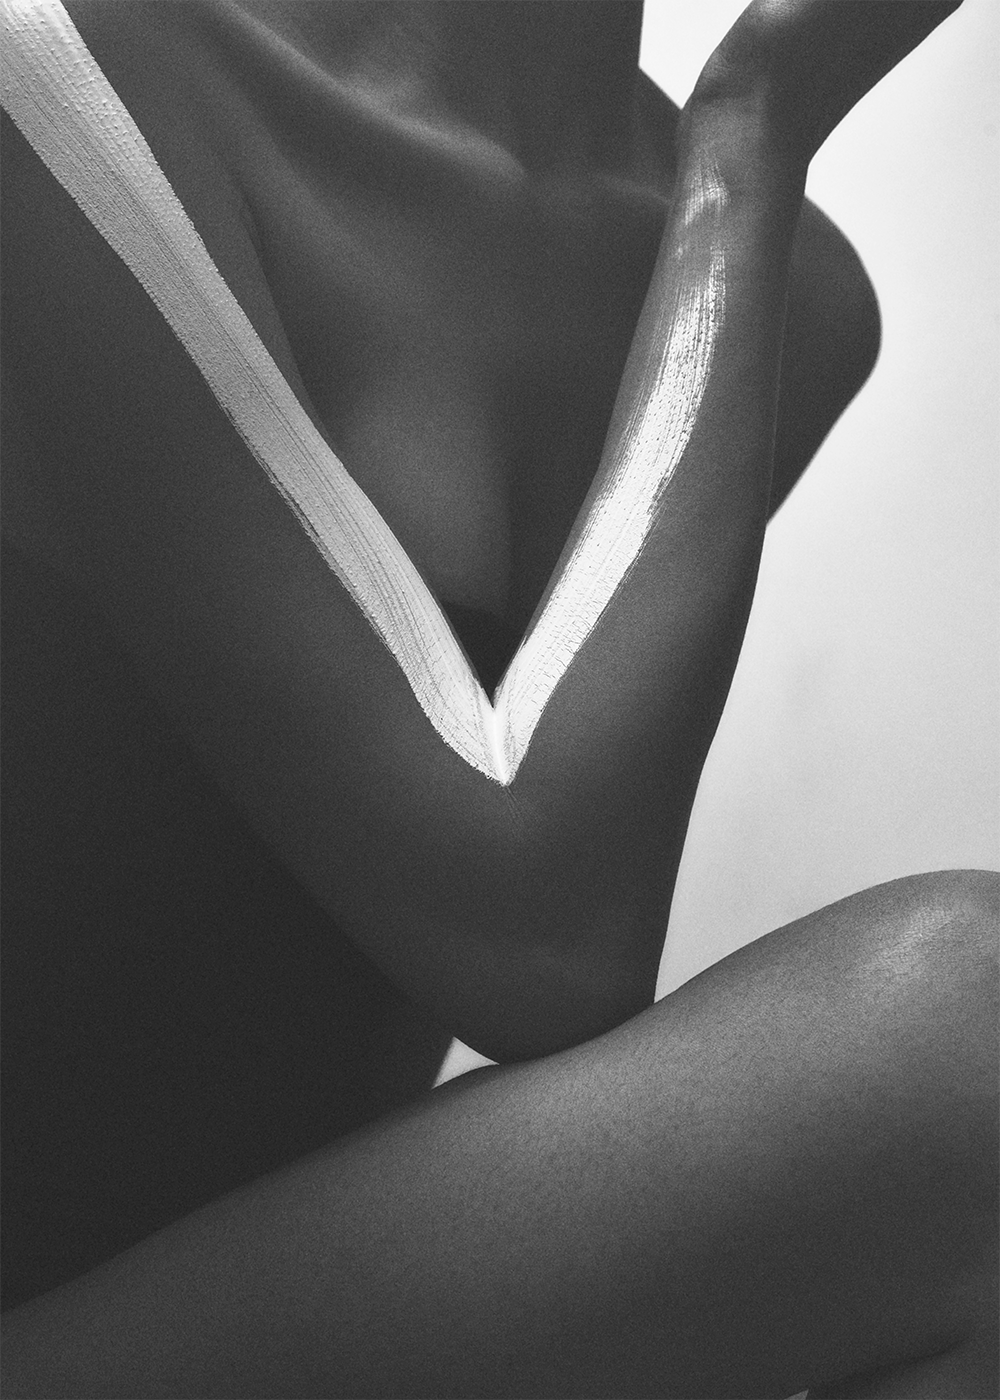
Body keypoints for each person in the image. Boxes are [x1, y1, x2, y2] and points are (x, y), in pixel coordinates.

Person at [0, 0, 996, 1394]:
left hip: (269, 1301)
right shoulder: (61, 77)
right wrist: (756, 125)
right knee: (968, 1041)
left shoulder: (801, 297)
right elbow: (537, 933)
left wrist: (740, 159)